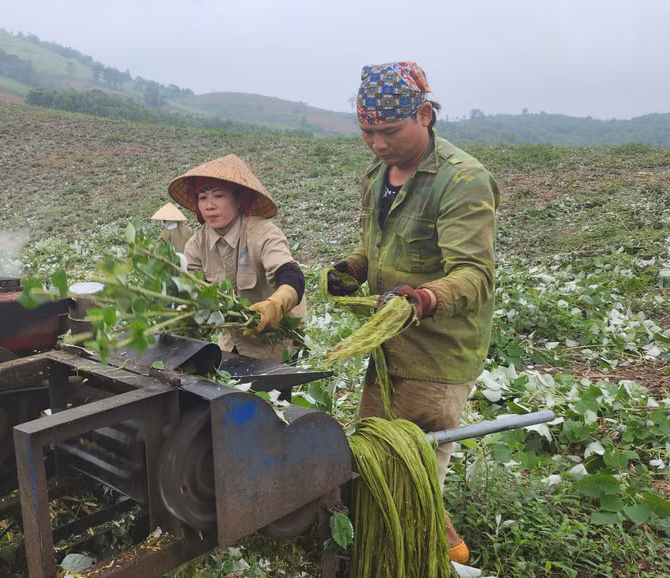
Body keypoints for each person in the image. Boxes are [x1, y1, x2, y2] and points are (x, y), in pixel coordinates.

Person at [326, 62, 499, 564]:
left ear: (424, 114)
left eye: (389, 131)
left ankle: (436, 556)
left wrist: (421, 299)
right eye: (367, 132)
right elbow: (376, 247)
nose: (378, 143)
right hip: (387, 348)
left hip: (435, 356)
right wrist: (350, 269)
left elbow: (474, 275)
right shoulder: (379, 175)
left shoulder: (463, 180)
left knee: (409, 475)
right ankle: (417, 548)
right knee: (377, 462)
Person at [169, 154, 306, 362]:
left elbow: (291, 275)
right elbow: (192, 289)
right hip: (233, 340)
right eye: (203, 197)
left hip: (276, 344)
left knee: (273, 393)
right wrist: (184, 310)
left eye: (218, 196)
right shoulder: (196, 245)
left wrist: (275, 306)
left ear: (239, 199)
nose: (209, 205)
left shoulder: (263, 234)